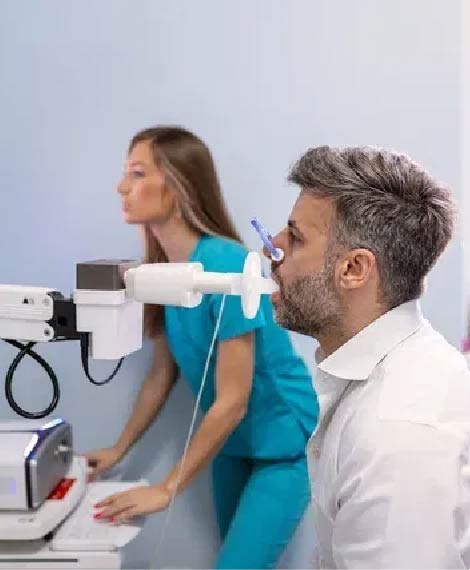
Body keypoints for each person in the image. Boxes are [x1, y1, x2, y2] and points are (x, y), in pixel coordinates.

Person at [85, 126, 319, 569]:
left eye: (137, 173)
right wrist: (118, 449)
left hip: (282, 441)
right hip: (228, 443)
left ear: (178, 187)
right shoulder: (162, 273)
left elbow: (233, 400)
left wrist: (166, 488)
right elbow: (161, 374)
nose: (121, 186)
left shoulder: (227, 266)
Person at [268, 145, 470, 568]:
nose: (273, 249)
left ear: (354, 269)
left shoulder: (397, 434)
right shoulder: (381, 376)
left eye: (296, 238)